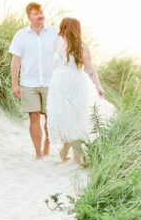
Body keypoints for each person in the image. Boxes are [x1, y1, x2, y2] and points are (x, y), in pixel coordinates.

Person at [46, 17, 114, 167]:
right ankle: (67, 145)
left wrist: (99, 86)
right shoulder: (59, 44)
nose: (61, 32)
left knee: (77, 119)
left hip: (76, 86)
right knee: (62, 117)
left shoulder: (82, 47)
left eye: (63, 29)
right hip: (58, 86)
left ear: (69, 29)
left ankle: (76, 159)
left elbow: (90, 69)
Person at [9, 2, 59, 158]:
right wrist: (15, 84)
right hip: (29, 83)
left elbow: (63, 55)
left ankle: (47, 144)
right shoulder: (20, 35)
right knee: (34, 116)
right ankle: (38, 153)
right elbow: (15, 61)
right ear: (29, 17)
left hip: (51, 82)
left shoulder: (54, 32)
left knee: (50, 118)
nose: (40, 15)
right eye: (36, 13)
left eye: (42, 12)